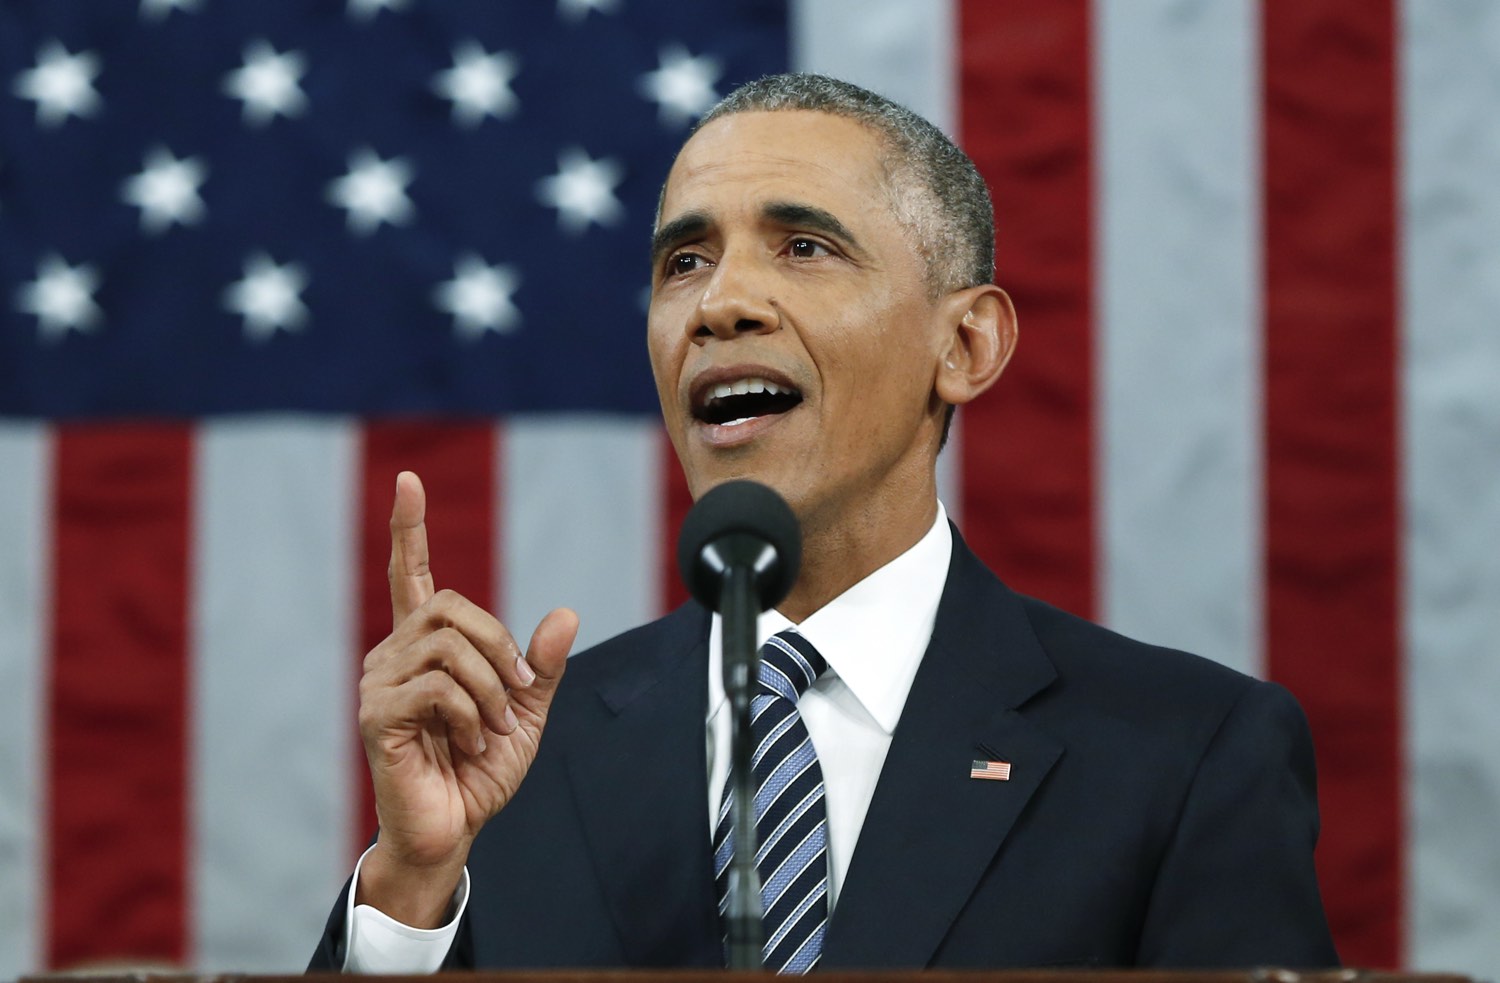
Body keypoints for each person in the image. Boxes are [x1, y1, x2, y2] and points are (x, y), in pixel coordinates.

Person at [309, 73, 1338, 971]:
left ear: (967, 343)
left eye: (802, 247)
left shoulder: (1184, 753)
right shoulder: (517, 760)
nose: (721, 304)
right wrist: (410, 888)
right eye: (684, 262)